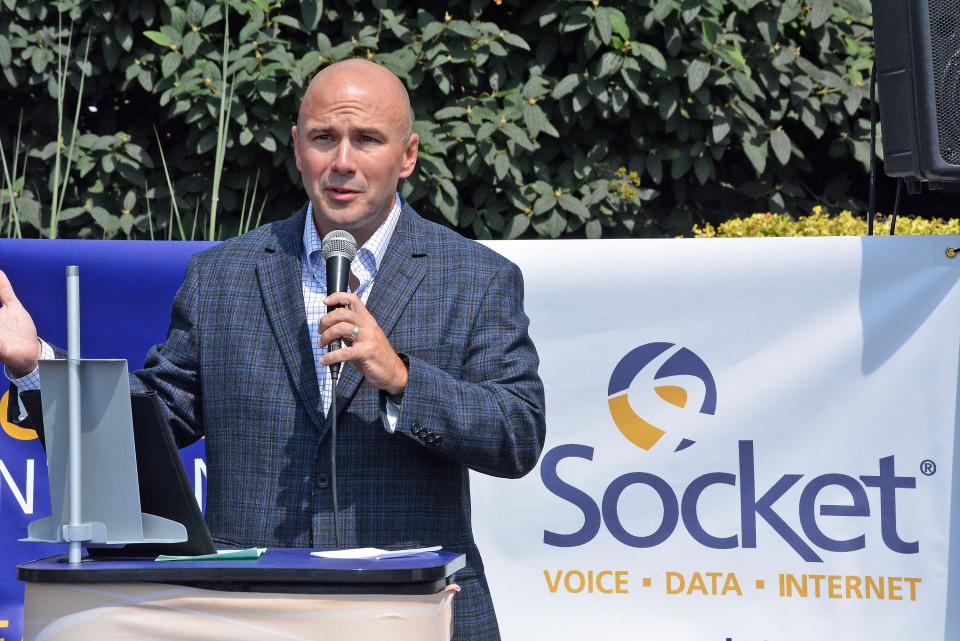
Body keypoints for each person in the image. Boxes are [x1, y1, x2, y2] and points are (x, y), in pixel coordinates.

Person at [0, 59, 546, 641]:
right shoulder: (223, 275)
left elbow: (516, 434)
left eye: (366, 140)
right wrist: (37, 364)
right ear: (297, 147)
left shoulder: (475, 276)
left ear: (407, 155)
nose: (342, 162)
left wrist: (401, 378)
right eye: (323, 138)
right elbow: (156, 421)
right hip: (248, 614)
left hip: (412, 610)